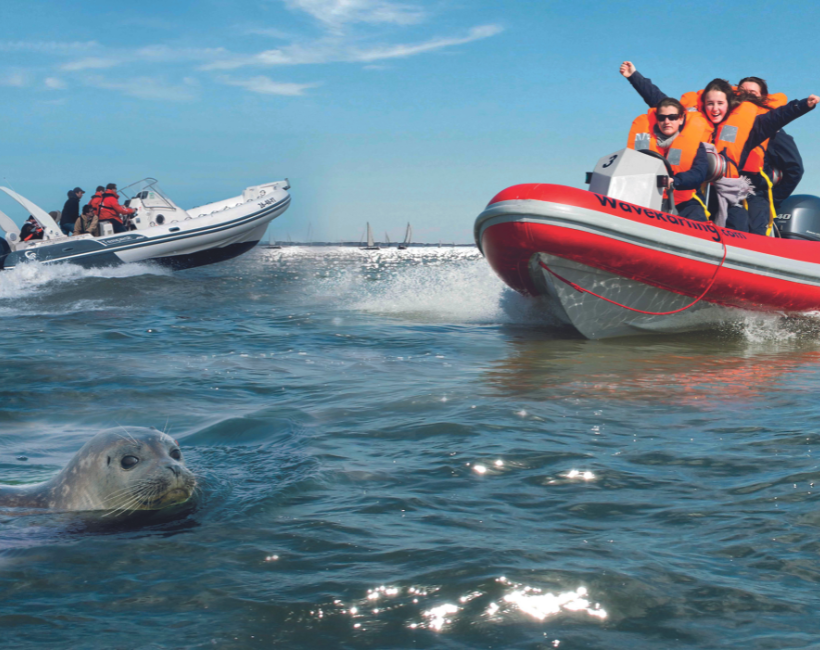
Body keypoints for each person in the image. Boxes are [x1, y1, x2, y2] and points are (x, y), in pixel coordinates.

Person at [620, 61, 818, 232]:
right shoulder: (690, 120)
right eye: (710, 104)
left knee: (741, 223)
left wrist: (803, 105)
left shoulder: (751, 127)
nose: (715, 109)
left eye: (720, 104)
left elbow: (776, 118)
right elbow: (660, 102)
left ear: (729, 104)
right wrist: (634, 77)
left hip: (734, 192)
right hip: (696, 188)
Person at [626, 96, 713, 222]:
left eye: (672, 117)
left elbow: (699, 173)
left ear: (681, 119)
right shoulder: (643, 141)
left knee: (696, 215)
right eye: (662, 118)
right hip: (647, 200)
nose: (667, 121)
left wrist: (676, 181)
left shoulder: (695, 146)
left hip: (685, 202)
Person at [737, 76, 804, 231]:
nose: (747, 96)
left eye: (752, 92)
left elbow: (795, 169)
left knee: (753, 238)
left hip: (754, 196)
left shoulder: (773, 131)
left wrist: (772, 199)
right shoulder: (725, 124)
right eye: (742, 92)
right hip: (722, 192)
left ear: (763, 98)